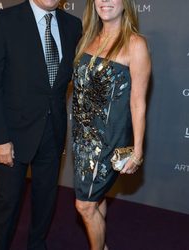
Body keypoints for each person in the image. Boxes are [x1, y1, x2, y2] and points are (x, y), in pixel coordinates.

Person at [0, 0, 82, 249]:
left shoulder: (73, 25)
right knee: (8, 202)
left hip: (54, 131)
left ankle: (37, 244)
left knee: (46, 199)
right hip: (13, 134)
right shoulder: (1, 22)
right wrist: (0, 138)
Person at [72, 0, 151, 249]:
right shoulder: (88, 38)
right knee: (94, 199)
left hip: (109, 140)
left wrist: (137, 151)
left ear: (125, 3)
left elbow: (138, 102)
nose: (105, 1)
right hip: (82, 137)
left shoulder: (135, 44)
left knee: (83, 205)